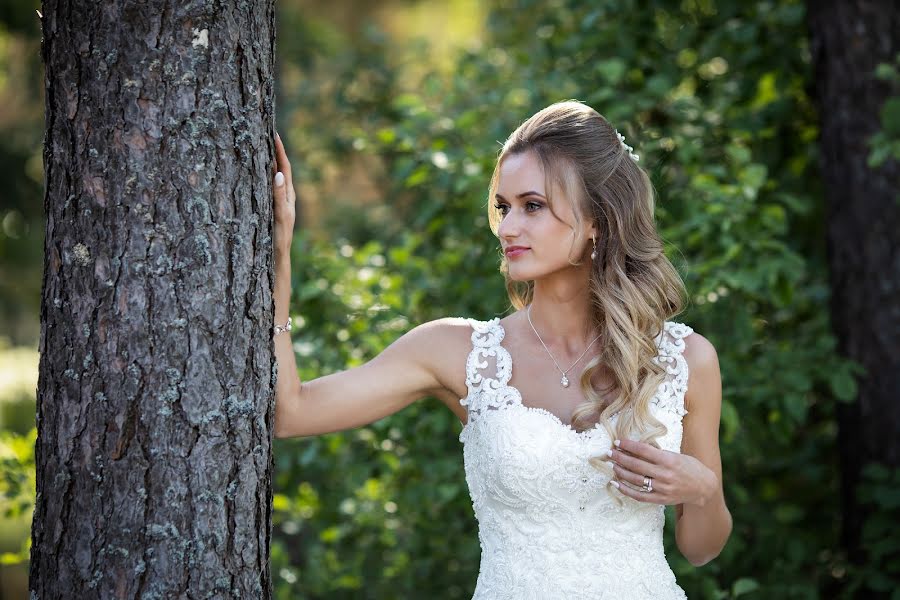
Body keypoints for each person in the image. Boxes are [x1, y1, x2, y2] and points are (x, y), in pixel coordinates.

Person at [271, 100, 732, 598]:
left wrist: (700, 489)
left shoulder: (685, 361)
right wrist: (278, 260)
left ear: (597, 218)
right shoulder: (455, 352)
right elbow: (290, 414)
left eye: (532, 206)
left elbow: (701, 548)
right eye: (503, 207)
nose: (508, 228)